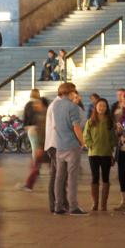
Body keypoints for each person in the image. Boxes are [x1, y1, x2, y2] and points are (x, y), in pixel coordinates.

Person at [53, 82, 87, 215]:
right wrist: (82, 142)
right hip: (72, 146)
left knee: (59, 177)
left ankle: (58, 206)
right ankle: (73, 206)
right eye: (74, 91)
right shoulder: (73, 107)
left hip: (59, 145)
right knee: (72, 177)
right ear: (71, 92)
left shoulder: (56, 105)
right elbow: (76, 127)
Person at [83, 98, 116, 211]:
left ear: (107, 108)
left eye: (104, 106)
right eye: (99, 106)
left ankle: (103, 204)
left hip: (106, 153)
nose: (102, 108)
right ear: (95, 107)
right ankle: (95, 203)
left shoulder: (110, 121)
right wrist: (89, 144)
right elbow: (85, 135)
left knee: (105, 178)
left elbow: (113, 137)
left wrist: (112, 149)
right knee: (95, 177)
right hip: (93, 153)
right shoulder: (90, 121)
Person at [44, 90, 68, 214]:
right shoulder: (56, 106)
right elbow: (57, 126)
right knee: (58, 176)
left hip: (56, 144)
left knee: (59, 175)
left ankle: (61, 202)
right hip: (56, 144)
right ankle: (56, 204)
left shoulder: (57, 105)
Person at [22, 92, 47, 192]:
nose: (35, 106)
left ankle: (28, 185)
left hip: (44, 146)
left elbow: (43, 133)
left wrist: (40, 147)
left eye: (37, 104)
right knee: (37, 166)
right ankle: (28, 185)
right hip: (45, 146)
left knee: (35, 166)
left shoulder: (43, 116)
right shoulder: (41, 115)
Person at [112, 91, 125, 211]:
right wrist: (118, 131)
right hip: (122, 149)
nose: (122, 103)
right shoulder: (122, 115)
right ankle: (124, 201)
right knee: (122, 175)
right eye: (122, 101)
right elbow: (118, 132)